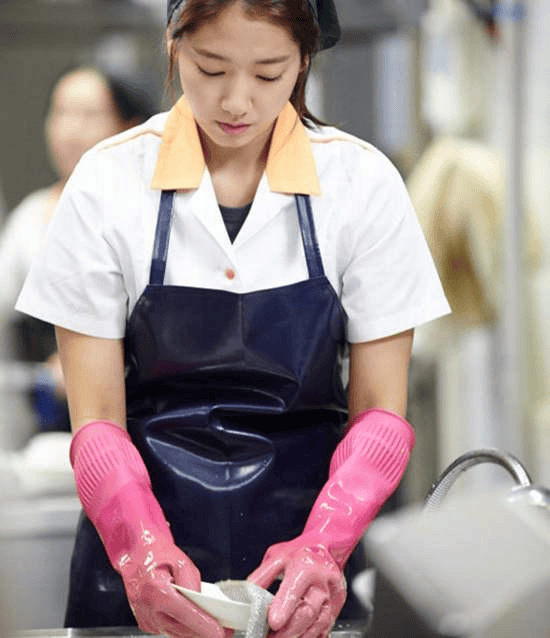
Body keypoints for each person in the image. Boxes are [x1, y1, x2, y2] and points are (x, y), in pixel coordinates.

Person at [16, 1, 450, 637]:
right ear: (173, 46)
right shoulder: (107, 182)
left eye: (269, 73)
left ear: (304, 60)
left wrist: (324, 546)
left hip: (306, 573)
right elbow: (97, 419)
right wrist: (141, 551)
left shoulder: (362, 184)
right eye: (211, 68)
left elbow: (381, 413)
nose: (237, 102)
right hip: (134, 564)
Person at [1, 65, 154, 431]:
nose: (70, 131)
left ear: (128, 126)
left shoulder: (150, 211)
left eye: (89, 115)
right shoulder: (30, 215)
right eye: (61, 113)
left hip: (143, 412)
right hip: (56, 421)